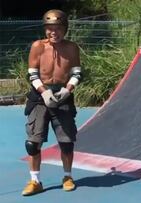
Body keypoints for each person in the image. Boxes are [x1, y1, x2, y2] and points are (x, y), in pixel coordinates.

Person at [22, 9, 82, 196]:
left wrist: (68, 89)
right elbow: (32, 73)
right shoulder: (38, 46)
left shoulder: (72, 48)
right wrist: (44, 92)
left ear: (65, 29)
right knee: (33, 143)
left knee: (67, 143)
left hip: (63, 97)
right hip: (40, 98)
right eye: (49, 28)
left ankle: (67, 176)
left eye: (57, 28)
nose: (53, 32)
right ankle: (35, 181)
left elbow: (77, 73)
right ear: (45, 29)